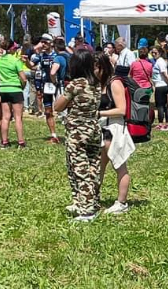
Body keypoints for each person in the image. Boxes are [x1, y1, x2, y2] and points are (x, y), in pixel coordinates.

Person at [54, 48, 103, 221]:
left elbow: (57, 106)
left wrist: (69, 102)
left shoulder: (75, 84)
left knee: (79, 169)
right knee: (93, 167)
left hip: (78, 131)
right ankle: (89, 202)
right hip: (94, 128)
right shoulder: (96, 83)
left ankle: (87, 210)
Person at [94, 52, 132, 215]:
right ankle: (92, 198)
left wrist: (99, 113)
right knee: (98, 166)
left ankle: (122, 202)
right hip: (103, 128)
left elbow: (122, 109)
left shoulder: (114, 83)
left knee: (119, 166)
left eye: (94, 68)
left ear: (102, 67)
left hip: (115, 128)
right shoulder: (100, 83)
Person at [0, 39, 30, 148]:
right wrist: (22, 86)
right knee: (18, 117)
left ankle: (5, 141)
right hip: (15, 89)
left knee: (5, 117)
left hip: (4, 89)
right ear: (11, 49)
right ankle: (21, 142)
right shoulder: (15, 61)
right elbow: (23, 78)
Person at [151, 44, 168, 129]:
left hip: (162, 85)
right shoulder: (158, 61)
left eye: (155, 53)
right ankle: (165, 122)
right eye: (152, 53)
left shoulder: (160, 61)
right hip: (159, 84)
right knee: (163, 105)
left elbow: (164, 74)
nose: (153, 54)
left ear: (159, 53)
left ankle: (162, 123)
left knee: (161, 105)